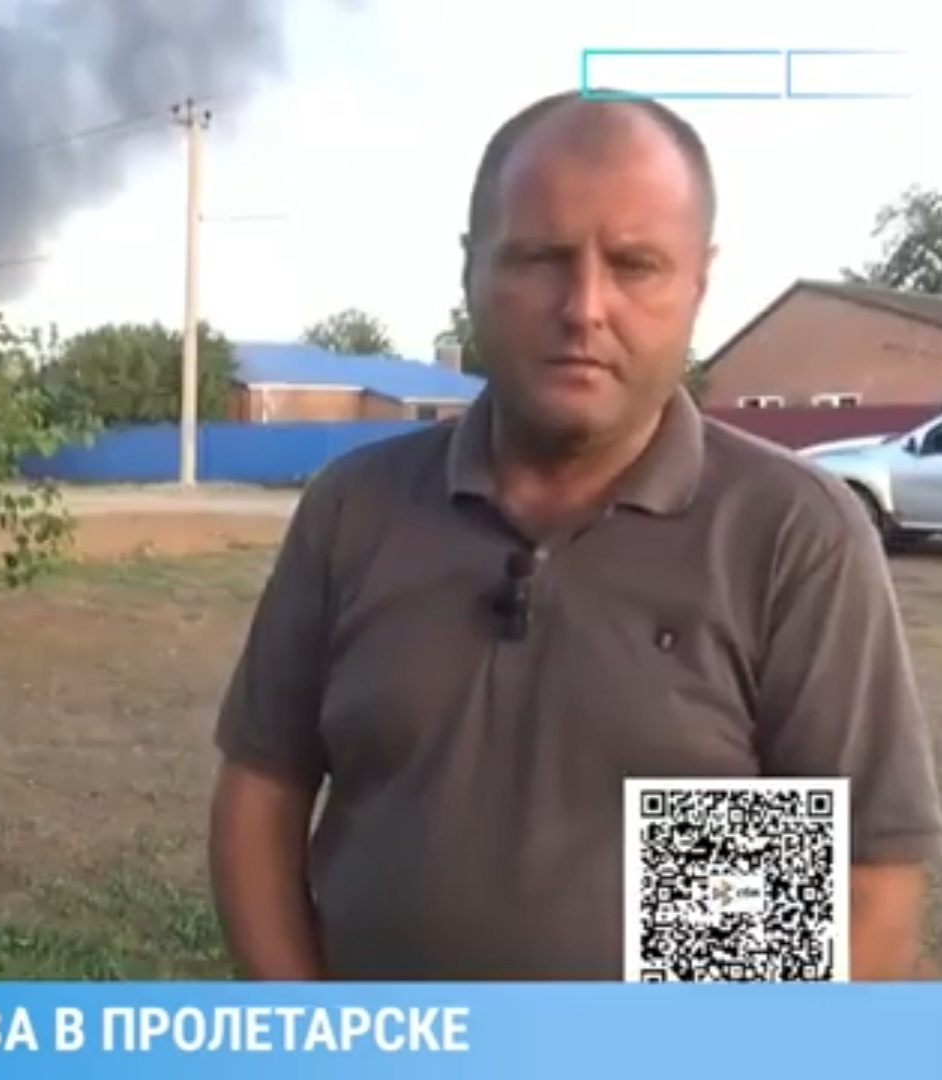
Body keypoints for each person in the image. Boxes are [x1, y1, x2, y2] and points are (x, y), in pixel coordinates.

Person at [207, 90, 942, 981]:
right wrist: (318, 1037)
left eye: (636, 265)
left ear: (699, 283)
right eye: (540, 258)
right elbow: (263, 798)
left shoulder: (785, 536)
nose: (585, 307)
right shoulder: (355, 510)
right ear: (472, 270)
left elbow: (865, 891)